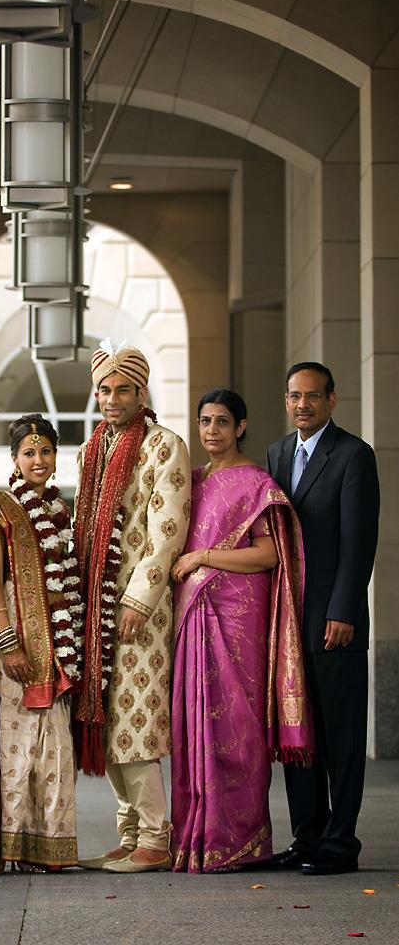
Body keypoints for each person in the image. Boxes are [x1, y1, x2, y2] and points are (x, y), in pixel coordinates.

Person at [170, 389, 314, 873]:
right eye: (205, 422)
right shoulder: (189, 482)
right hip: (195, 617)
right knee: (196, 725)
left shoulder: (256, 483)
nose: (212, 431)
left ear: (242, 427)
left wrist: (203, 558)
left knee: (237, 725)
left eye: (222, 422)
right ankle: (198, 839)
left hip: (237, 616)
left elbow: (270, 554)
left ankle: (242, 840)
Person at [74, 338, 191, 874]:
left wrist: (139, 598)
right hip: (94, 607)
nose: (113, 398)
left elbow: (167, 531)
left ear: (141, 391)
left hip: (141, 606)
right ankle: (128, 833)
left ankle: (155, 837)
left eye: (123, 389)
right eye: (105, 389)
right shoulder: (91, 449)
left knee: (135, 718)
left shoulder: (164, 445)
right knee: (107, 715)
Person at [266, 362, 380, 876]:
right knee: (300, 734)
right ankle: (308, 836)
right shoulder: (277, 453)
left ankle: (341, 842)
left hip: (335, 622)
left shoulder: (354, 455)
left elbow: (359, 542)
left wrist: (344, 611)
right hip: (288, 619)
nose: (302, 405)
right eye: (294, 396)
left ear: (332, 401)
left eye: (313, 396)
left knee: (340, 737)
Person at [0, 415, 83, 872]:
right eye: (29, 453)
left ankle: (50, 847)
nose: (38, 460)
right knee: (17, 747)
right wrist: (8, 642)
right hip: (18, 641)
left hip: (56, 646)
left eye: (45, 452)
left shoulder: (62, 512)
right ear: (15, 461)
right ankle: (13, 846)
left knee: (54, 747)